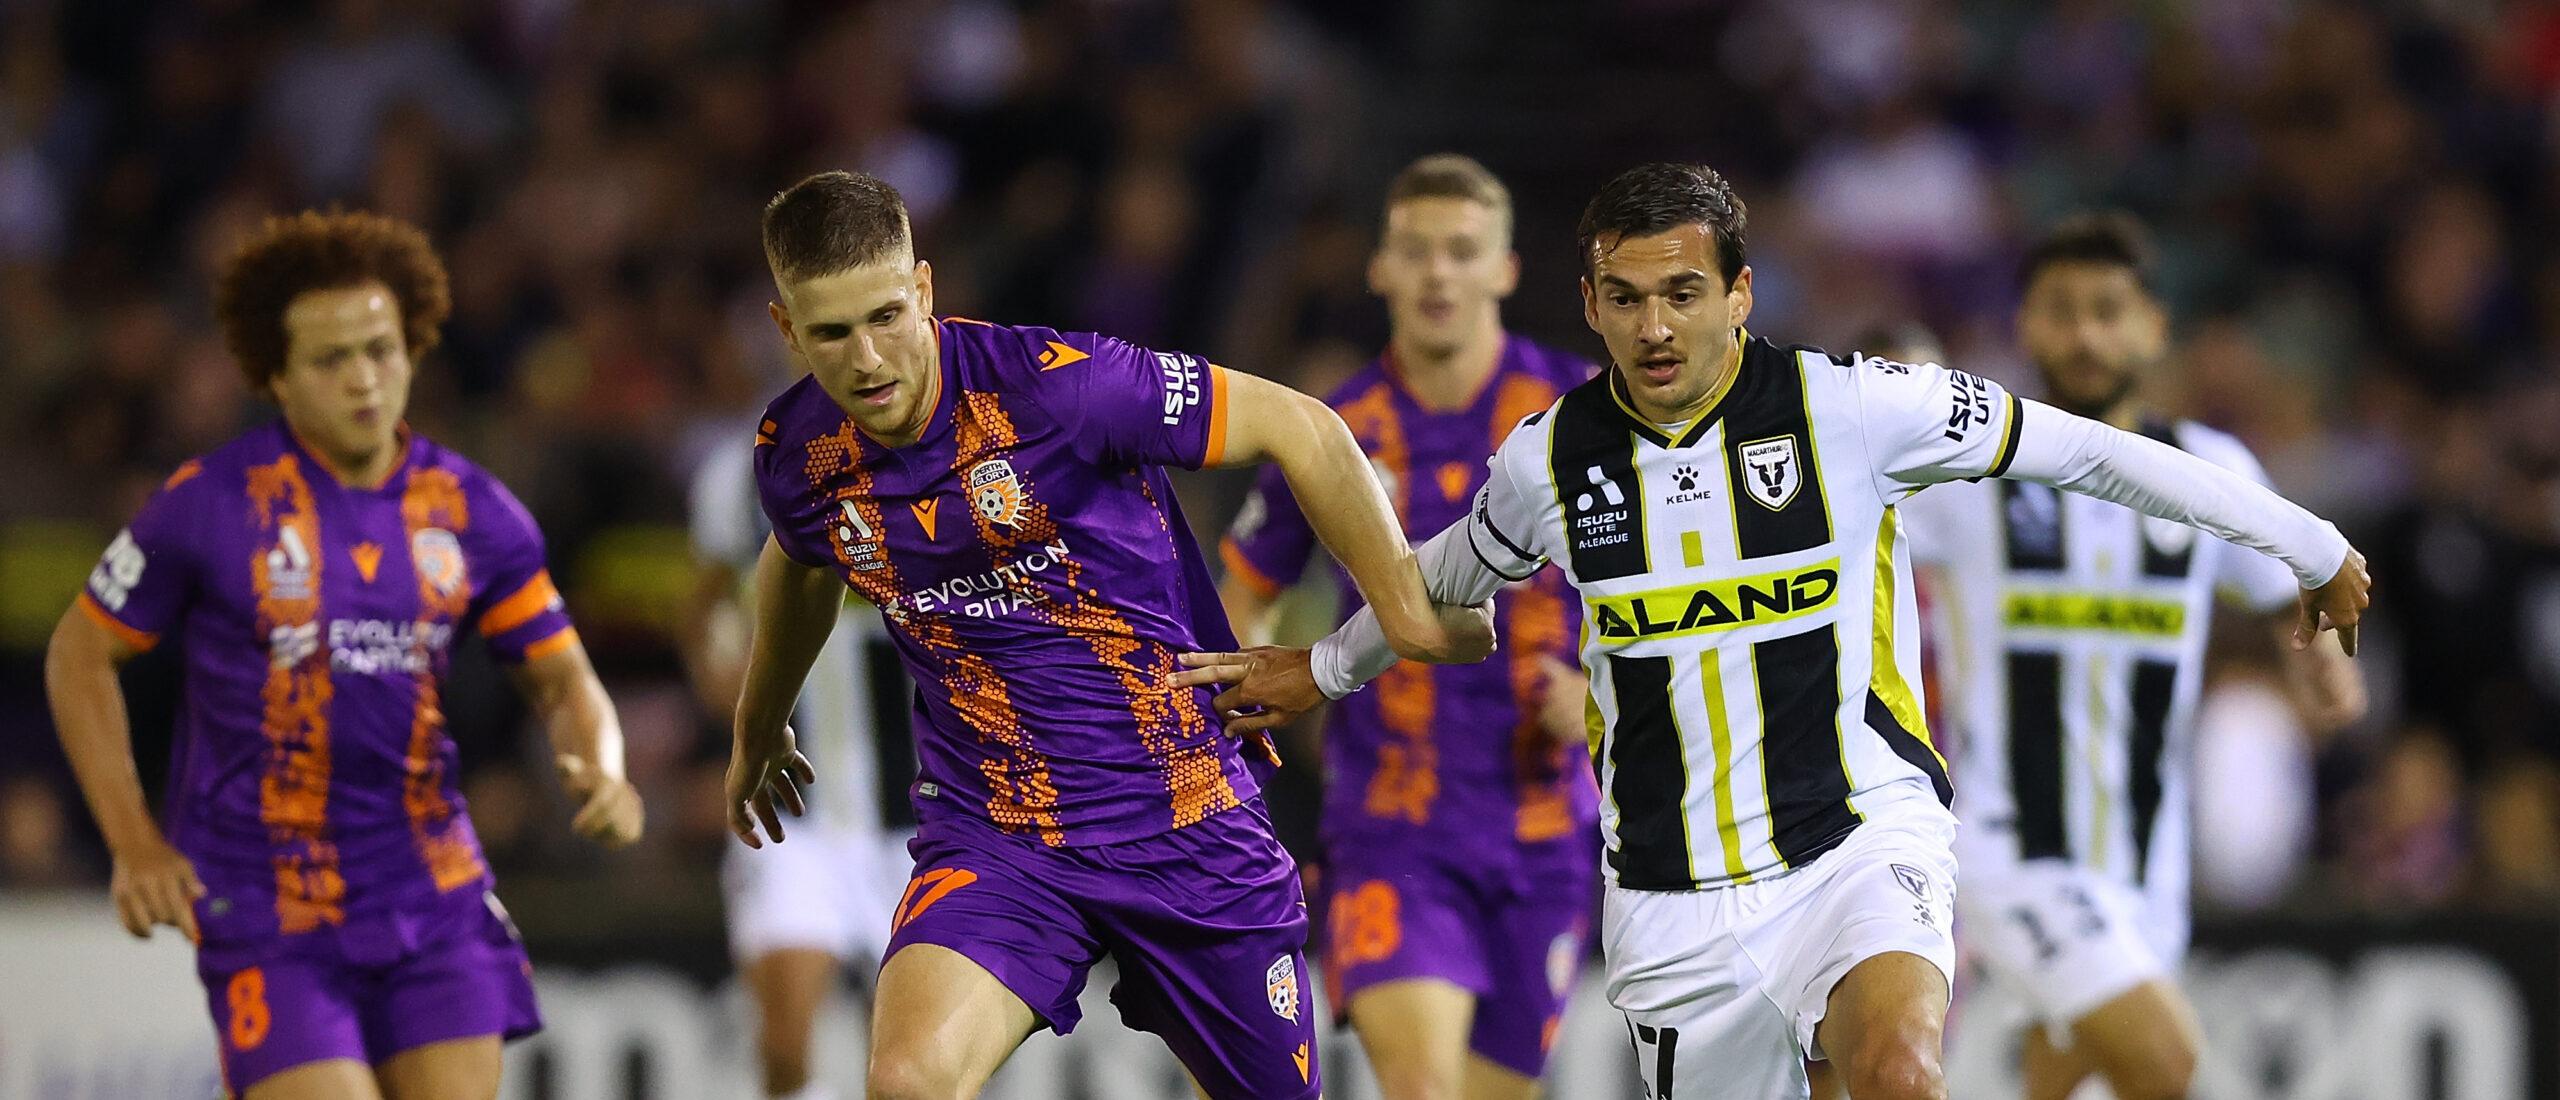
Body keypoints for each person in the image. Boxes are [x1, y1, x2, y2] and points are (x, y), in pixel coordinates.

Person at [1173, 163, 2370, 1100]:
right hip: (1671, 893)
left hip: (1858, 834)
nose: (1654, 327)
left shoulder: (1858, 408)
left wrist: (2309, 544)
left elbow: (2091, 453)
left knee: (1902, 1066)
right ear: (1588, 301)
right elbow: (1440, 582)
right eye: (1627, 297)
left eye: (1683, 292)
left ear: (1739, 293)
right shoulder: (1551, 462)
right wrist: (1320, 667)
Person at [722, 170, 1488, 1100]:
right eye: (830, 333)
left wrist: (1402, 609)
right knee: (907, 1082)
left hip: (1185, 820)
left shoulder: (1060, 390)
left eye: (887, 316)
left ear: (924, 289)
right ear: (784, 328)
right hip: (1001, 837)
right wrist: (758, 724)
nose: (867, 359)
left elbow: (1304, 427)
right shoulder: (796, 453)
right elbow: (802, 558)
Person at [43, 209, 644, 1100]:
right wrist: (136, 845)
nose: (365, 379)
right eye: (332, 360)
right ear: (276, 377)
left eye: (383, 349)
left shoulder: (474, 511)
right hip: (266, 905)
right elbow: (78, 654)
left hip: (432, 892)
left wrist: (605, 767)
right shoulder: (208, 505)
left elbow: (560, 675)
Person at [1903, 213, 2366, 1100]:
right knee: (2169, 1061)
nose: (2084, 334)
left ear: (2154, 327)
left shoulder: (2209, 465)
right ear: (2024, 328)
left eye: (2108, 310)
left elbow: (2282, 593)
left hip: (2149, 867)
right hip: (2013, 852)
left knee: (2067, 1074)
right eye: (2060, 310)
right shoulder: (1970, 471)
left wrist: (2324, 664)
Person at [1217, 153, 1599, 1100]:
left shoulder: (1582, 416)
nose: (1439, 274)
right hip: (1391, 827)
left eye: (1463, 251)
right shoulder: (1328, 428)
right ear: (1379, 269)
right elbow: (1243, 593)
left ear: (1504, 270)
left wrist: (1606, 691)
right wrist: (1230, 718)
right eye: (1416, 251)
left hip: (1545, 826)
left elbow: (1669, 590)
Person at [684, 441, 918, 1100]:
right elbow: (703, 603)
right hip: (794, 814)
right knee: (786, 1049)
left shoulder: (932, 458)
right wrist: (723, 689)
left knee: (907, 1062)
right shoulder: (740, 472)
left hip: (921, 815)